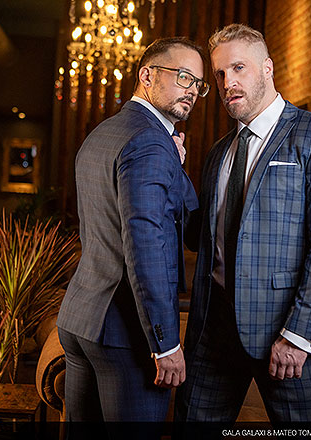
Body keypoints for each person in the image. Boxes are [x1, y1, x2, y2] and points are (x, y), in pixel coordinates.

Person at [176, 23, 311, 425]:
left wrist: (297, 335)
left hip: (286, 335)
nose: (228, 83)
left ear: (268, 67)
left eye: (238, 68)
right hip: (214, 333)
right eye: (220, 74)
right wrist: (173, 170)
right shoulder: (219, 152)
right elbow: (196, 236)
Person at [56, 37, 208, 434]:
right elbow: (146, 248)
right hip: (123, 335)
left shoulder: (105, 132)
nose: (192, 90)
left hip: (80, 320)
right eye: (183, 76)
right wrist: (166, 342)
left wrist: (176, 167)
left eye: (198, 83)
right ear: (147, 75)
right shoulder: (150, 143)